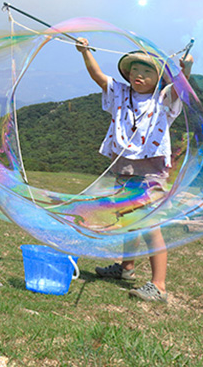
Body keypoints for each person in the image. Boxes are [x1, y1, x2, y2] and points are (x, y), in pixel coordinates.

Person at [76, 38, 193, 303]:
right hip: (124, 166)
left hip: (151, 170)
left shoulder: (164, 99)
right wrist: (85, 53)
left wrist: (186, 71)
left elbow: (181, 90)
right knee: (128, 219)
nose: (139, 75)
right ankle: (126, 268)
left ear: (159, 78)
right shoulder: (121, 93)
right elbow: (98, 77)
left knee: (149, 224)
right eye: (135, 70)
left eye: (148, 71)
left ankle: (159, 285)